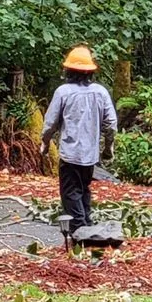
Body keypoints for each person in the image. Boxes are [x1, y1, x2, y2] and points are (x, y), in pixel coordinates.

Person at [41, 45, 117, 233]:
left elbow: (50, 123)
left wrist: (44, 143)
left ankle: (80, 231)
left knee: (71, 193)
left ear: (68, 70)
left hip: (70, 154)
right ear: (90, 71)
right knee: (84, 189)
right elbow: (111, 124)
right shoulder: (100, 92)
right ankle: (87, 226)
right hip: (90, 155)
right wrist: (108, 148)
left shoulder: (63, 92)